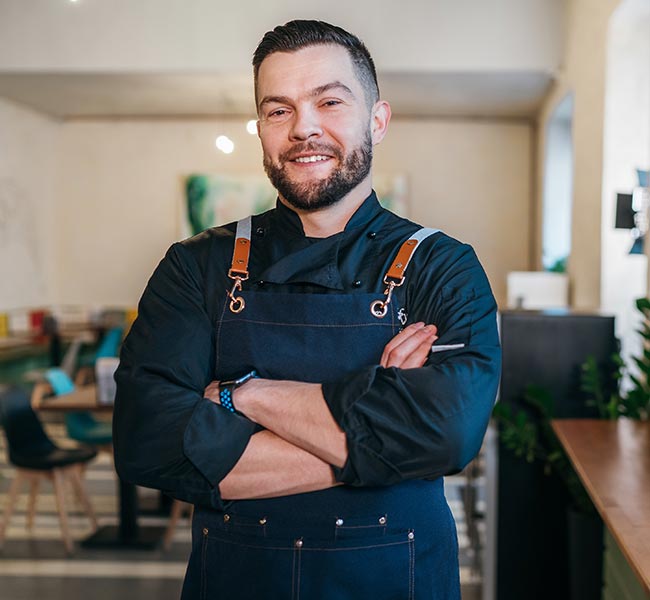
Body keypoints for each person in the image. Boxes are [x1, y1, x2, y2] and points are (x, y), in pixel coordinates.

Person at [113, 19, 501, 600]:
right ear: (262, 128)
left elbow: (448, 434)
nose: (304, 128)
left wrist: (239, 394)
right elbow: (147, 439)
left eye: (329, 101)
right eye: (278, 110)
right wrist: (386, 439)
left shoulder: (442, 267)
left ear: (378, 119)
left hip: (398, 580)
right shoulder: (196, 265)